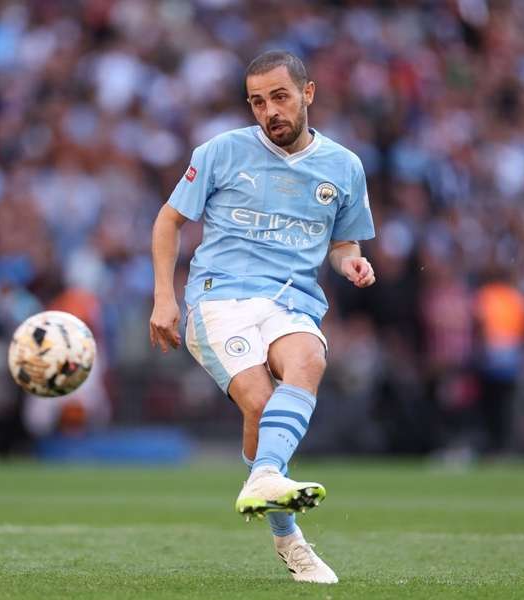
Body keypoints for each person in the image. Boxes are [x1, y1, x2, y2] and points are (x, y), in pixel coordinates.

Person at [149, 50, 376, 584]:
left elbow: (344, 244)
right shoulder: (220, 152)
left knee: (309, 357)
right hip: (219, 297)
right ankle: (288, 540)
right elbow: (168, 220)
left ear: (308, 93)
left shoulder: (343, 167)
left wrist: (353, 263)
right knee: (261, 404)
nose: (269, 111)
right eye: (257, 101)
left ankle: (266, 477)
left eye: (279, 97)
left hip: (292, 299)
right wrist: (164, 297)